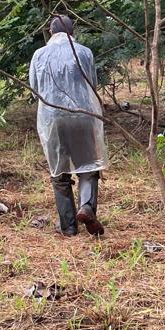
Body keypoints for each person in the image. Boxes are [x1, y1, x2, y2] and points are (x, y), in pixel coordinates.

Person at [28, 15, 108, 237]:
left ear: (51, 33)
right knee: (89, 167)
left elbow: (35, 88)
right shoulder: (84, 52)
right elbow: (91, 83)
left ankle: (69, 227)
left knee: (59, 173)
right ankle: (86, 207)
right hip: (82, 115)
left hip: (52, 118)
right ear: (73, 33)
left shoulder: (39, 55)